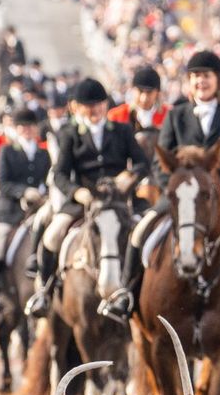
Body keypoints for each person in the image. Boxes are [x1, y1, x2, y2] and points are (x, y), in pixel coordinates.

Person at [105, 49, 220, 332]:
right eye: (195, 76)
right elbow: (160, 160)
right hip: (182, 200)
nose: (200, 82)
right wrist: (171, 188)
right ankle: (126, 293)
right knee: (140, 232)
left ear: (218, 80)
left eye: (205, 76)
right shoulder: (176, 115)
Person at [25, 78, 147, 317]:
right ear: (78, 108)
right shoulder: (69, 134)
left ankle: (140, 292)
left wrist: (127, 176)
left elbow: (142, 162)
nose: (94, 110)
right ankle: (44, 291)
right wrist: (76, 192)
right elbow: (59, 173)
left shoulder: (122, 131)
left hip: (118, 202)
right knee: (52, 235)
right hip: (85, 202)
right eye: (88, 106)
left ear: (105, 105)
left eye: (99, 105)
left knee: (145, 233)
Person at [0, 106, 51, 229]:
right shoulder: (6, 150)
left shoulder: (43, 153)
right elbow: (2, 183)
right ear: (17, 128)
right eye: (23, 126)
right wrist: (24, 191)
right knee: (3, 234)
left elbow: (46, 180)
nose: (27, 129)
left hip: (38, 206)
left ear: (36, 127)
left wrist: (43, 193)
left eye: (31, 125)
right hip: (11, 209)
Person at [108, 66, 168, 131]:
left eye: (149, 92)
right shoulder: (116, 116)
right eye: (140, 91)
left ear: (157, 93)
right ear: (132, 90)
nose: (144, 98)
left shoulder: (169, 116)